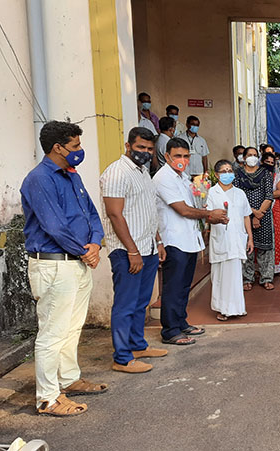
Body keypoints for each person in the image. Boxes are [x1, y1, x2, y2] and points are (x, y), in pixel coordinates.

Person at [21, 121, 106, 416]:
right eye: (75, 146)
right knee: (52, 333)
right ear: (58, 147)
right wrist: (85, 252)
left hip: (78, 262)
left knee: (72, 328)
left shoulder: (72, 176)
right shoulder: (39, 179)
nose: (80, 151)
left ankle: (68, 379)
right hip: (55, 265)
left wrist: (95, 243)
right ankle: (47, 398)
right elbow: (54, 225)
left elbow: (92, 214)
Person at [100, 127, 169, 375]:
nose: (145, 153)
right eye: (141, 148)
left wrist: (158, 242)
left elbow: (148, 211)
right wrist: (132, 251)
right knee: (125, 304)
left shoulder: (142, 172)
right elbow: (114, 214)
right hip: (127, 251)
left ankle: (137, 346)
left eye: (150, 149)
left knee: (141, 303)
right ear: (128, 146)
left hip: (147, 247)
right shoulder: (117, 173)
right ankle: (122, 357)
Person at [153, 137, 228, 345]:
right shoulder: (163, 178)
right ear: (167, 156)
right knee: (173, 286)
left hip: (188, 238)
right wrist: (209, 214)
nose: (183, 160)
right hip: (174, 238)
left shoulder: (183, 176)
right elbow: (183, 210)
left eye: (186, 156)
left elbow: (192, 202)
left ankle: (180, 322)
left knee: (184, 285)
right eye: (178, 156)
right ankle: (170, 330)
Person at [208, 160, 255, 321]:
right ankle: (222, 308)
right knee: (220, 276)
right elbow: (207, 215)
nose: (227, 174)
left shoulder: (240, 193)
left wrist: (250, 237)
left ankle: (237, 308)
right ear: (216, 175)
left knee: (235, 276)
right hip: (221, 239)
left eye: (230, 171)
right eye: (224, 171)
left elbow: (246, 215)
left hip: (237, 239)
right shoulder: (211, 193)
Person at [234, 147, 275, 291]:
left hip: (263, 214)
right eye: (249, 155)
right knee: (247, 248)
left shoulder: (265, 174)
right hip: (243, 215)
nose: (252, 157)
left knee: (266, 248)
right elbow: (237, 195)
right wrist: (252, 214)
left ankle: (267, 278)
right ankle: (247, 278)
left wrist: (259, 214)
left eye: (255, 155)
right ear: (243, 158)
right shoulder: (237, 174)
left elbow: (269, 195)